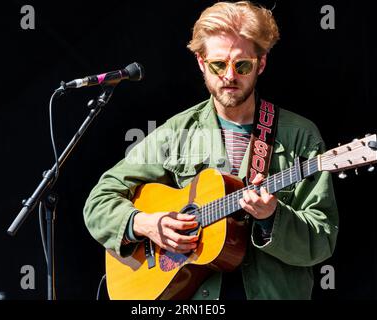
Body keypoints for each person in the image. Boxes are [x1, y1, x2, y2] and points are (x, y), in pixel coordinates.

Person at [83, 1, 338, 300]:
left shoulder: (300, 136)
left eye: (242, 65)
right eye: (219, 64)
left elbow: (322, 239)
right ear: (202, 63)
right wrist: (147, 224)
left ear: (262, 64)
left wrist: (272, 217)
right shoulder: (176, 133)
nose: (230, 76)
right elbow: (98, 202)